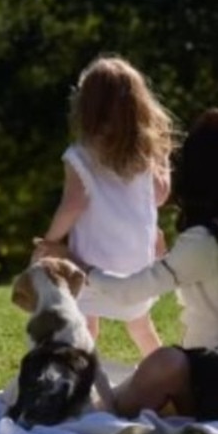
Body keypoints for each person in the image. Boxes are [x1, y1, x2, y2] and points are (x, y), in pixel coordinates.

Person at [36, 108, 218, 417]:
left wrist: (76, 263)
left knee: (162, 364)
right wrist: (167, 260)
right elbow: (212, 282)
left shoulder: (205, 241)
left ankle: (98, 409)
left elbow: (128, 292)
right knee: (158, 364)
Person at [37, 56, 174, 357]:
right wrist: (162, 161)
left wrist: (50, 241)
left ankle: (78, 380)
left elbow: (74, 204)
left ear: (87, 106)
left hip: (91, 262)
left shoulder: (79, 155)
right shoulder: (145, 153)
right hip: (137, 262)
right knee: (141, 325)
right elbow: (160, 196)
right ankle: (172, 381)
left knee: (86, 326)